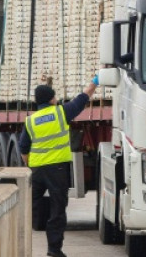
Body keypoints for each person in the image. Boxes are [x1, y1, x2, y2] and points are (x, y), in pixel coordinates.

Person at [19, 78, 98, 257]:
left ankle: (18, 244)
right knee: (57, 209)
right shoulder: (61, 112)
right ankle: (54, 249)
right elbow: (83, 98)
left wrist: (29, 164)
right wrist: (95, 82)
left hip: (37, 170)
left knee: (29, 206)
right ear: (51, 99)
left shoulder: (30, 121)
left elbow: (23, 148)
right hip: (58, 170)